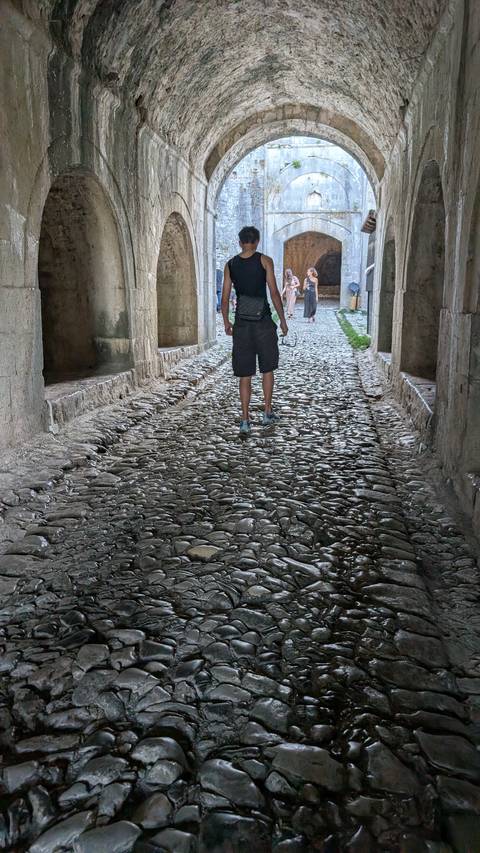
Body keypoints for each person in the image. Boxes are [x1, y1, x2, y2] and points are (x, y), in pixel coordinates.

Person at [221, 226, 288, 436]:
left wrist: (226, 322)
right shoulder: (265, 261)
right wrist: (283, 320)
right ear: (257, 241)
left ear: (240, 242)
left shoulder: (230, 265)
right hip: (263, 322)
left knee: (245, 374)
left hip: (241, 323)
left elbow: (224, 299)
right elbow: (275, 293)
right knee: (267, 369)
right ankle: (267, 412)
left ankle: (244, 420)